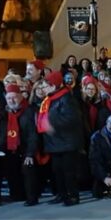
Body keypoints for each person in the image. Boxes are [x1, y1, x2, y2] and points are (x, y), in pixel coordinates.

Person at [38, 70, 85, 206]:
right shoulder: (51, 99)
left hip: (67, 142)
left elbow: (72, 119)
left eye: (45, 86)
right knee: (57, 171)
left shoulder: (66, 98)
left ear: (53, 85)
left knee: (68, 172)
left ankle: (73, 195)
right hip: (55, 142)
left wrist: (50, 123)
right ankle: (62, 194)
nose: (43, 89)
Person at [2, 84, 40, 205]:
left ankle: (32, 198)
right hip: (12, 148)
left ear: (20, 97)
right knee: (11, 168)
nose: (11, 101)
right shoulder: (6, 113)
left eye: (14, 97)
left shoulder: (29, 111)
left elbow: (33, 135)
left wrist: (30, 154)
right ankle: (17, 195)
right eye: (9, 98)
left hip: (27, 148)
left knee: (28, 168)